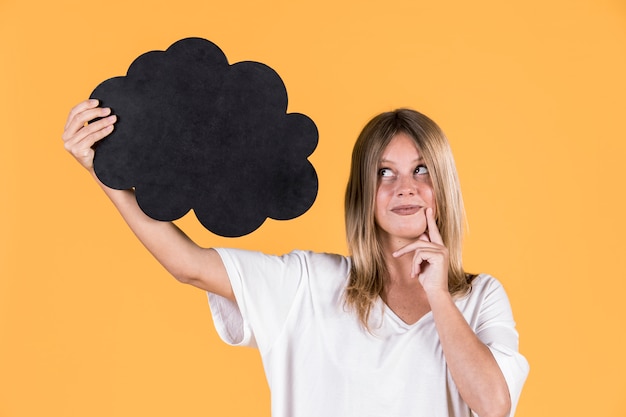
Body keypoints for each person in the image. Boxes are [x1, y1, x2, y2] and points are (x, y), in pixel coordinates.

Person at [62, 99, 529, 417]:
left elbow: (492, 406)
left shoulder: (482, 296)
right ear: (364, 194)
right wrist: (108, 171)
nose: (403, 186)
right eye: (384, 172)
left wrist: (438, 294)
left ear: (442, 186)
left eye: (420, 170)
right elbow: (189, 264)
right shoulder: (310, 283)